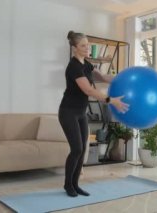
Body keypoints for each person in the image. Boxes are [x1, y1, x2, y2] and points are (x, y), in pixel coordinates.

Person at [59, 30, 129, 197]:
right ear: (75, 48)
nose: (86, 48)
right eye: (83, 45)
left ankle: (75, 185)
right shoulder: (74, 67)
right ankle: (68, 185)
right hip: (68, 112)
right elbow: (88, 89)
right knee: (76, 149)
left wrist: (123, 77)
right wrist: (112, 100)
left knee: (82, 150)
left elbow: (103, 78)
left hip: (81, 113)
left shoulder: (87, 64)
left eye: (87, 44)